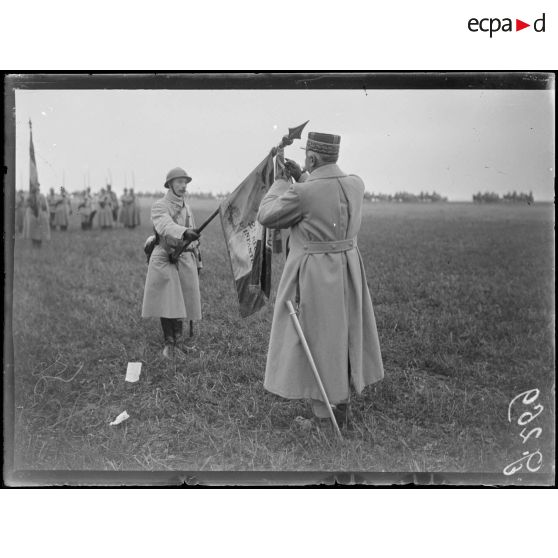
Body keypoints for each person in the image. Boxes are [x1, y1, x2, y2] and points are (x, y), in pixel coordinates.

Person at [257, 132, 384, 427]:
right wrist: (303, 176)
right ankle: (341, 410)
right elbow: (326, 195)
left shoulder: (303, 193)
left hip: (314, 275)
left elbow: (267, 214)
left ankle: (325, 420)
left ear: (312, 157)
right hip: (349, 271)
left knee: (317, 341)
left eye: (306, 158)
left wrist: (279, 182)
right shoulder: (356, 184)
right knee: (343, 338)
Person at [141, 167, 202, 360]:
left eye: (185, 182)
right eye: (179, 182)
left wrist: (197, 255)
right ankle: (169, 343)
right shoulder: (160, 206)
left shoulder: (188, 207)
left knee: (182, 299)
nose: (183, 186)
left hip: (183, 256)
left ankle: (179, 341)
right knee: (168, 299)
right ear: (170, 185)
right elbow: (165, 226)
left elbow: (194, 236)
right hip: (164, 256)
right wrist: (184, 232)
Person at [23, 183, 51, 247]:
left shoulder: (42, 196)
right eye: (35, 189)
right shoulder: (29, 197)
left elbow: (44, 206)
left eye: (37, 189)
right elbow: (26, 204)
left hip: (40, 215)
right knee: (32, 230)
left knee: (39, 230)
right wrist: (31, 205)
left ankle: (38, 244)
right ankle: (34, 244)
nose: (36, 190)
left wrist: (39, 207)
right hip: (31, 215)